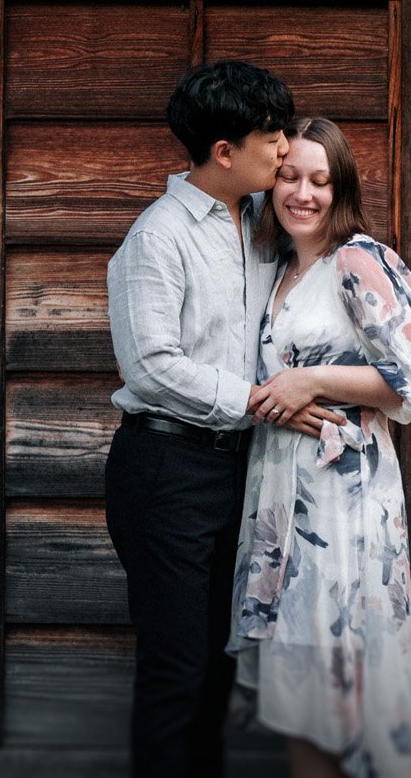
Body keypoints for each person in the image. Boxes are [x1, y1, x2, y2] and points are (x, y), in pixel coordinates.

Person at [106, 60, 342, 776]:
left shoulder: (255, 225)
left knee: (213, 667)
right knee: (176, 672)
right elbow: (151, 365)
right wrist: (260, 398)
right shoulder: (159, 235)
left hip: (235, 467)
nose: (283, 148)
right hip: (166, 471)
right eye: (271, 134)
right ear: (224, 151)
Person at [230, 115, 411, 778]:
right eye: (289, 176)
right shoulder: (280, 270)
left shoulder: (359, 259)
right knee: (300, 695)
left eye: (320, 180)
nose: (303, 193)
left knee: (339, 688)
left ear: (340, 187)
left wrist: (312, 378)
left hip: (342, 511)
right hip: (280, 498)